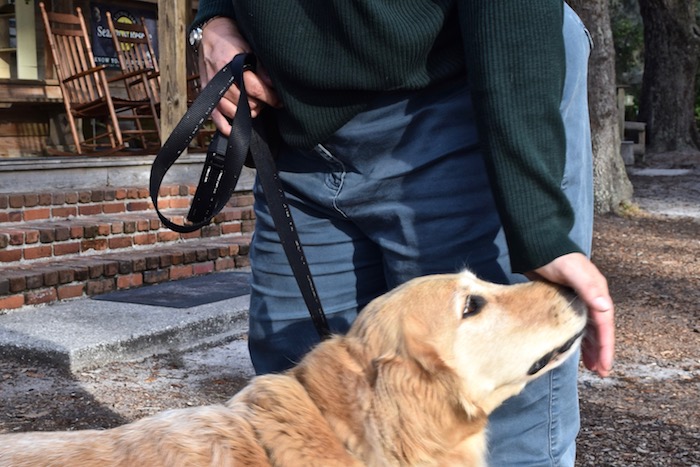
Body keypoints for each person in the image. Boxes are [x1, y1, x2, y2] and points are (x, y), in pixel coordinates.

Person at [189, 1, 615, 465]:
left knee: (504, 436)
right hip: (294, 134)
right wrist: (213, 20)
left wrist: (534, 222)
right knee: (302, 425)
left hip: (465, 96)